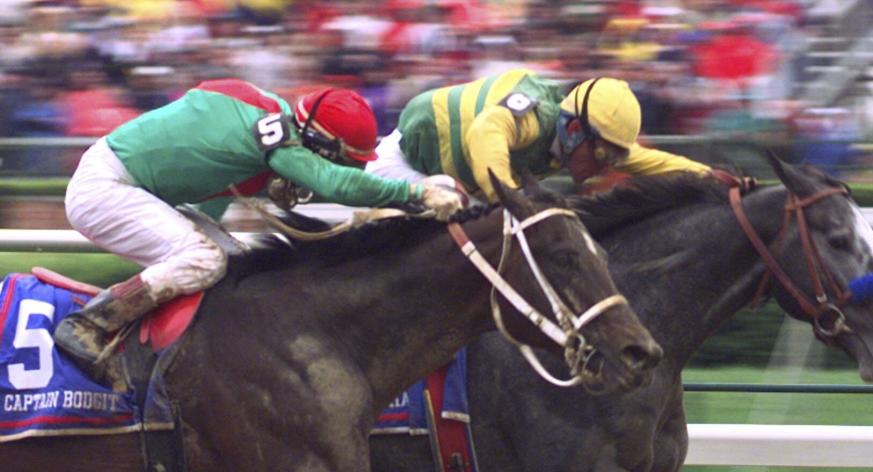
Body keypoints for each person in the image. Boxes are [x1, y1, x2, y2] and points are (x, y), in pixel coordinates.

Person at [54, 78, 463, 369]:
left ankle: (178, 358)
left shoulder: (269, 119)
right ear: (319, 143)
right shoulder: (273, 130)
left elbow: (206, 197)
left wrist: (269, 181)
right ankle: (90, 324)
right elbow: (334, 183)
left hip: (134, 187)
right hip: (106, 187)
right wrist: (416, 194)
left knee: (235, 263)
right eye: (329, 158)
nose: (322, 168)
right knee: (205, 260)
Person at [365, 68, 713, 203]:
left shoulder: (581, 136)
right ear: (574, 130)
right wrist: (512, 200)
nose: (606, 169)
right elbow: (487, 130)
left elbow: (650, 162)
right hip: (401, 164)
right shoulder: (535, 116)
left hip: (455, 183)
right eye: (604, 157)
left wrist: (712, 180)